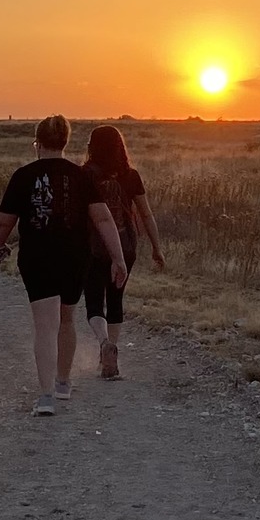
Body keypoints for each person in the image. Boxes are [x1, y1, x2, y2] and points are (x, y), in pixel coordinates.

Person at [0, 115, 126, 415]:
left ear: (37, 143)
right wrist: (118, 258)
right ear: (65, 141)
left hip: (37, 257)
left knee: (45, 325)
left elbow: (4, 222)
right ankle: (64, 382)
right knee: (67, 319)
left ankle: (46, 395)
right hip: (75, 256)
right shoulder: (81, 176)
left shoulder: (23, 175)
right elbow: (103, 218)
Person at [80, 124, 167, 379]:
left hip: (93, 248)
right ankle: (112, 349)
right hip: (126, 246)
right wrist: (156, 248)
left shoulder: (85, 174)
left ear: (92, 147)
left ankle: (103, 343)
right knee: (116, 299)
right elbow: (146, 214)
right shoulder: (132, 176)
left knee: (94, 301)